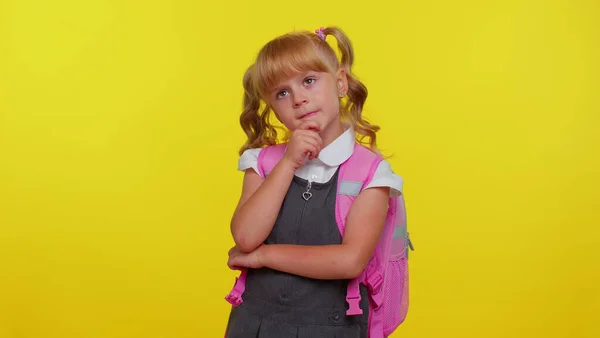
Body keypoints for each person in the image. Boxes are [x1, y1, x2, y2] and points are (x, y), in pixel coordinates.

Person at [224, 26, 404, 338]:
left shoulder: (370, 174)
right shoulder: (263, 163)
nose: (298, 99)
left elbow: (350, 261)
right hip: (255, 325)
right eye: (282, 93)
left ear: (340, 82)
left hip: (332, 328)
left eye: (308, 81)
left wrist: (263, 256)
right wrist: (289, 163)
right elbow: (246, 236)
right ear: (275, 111)